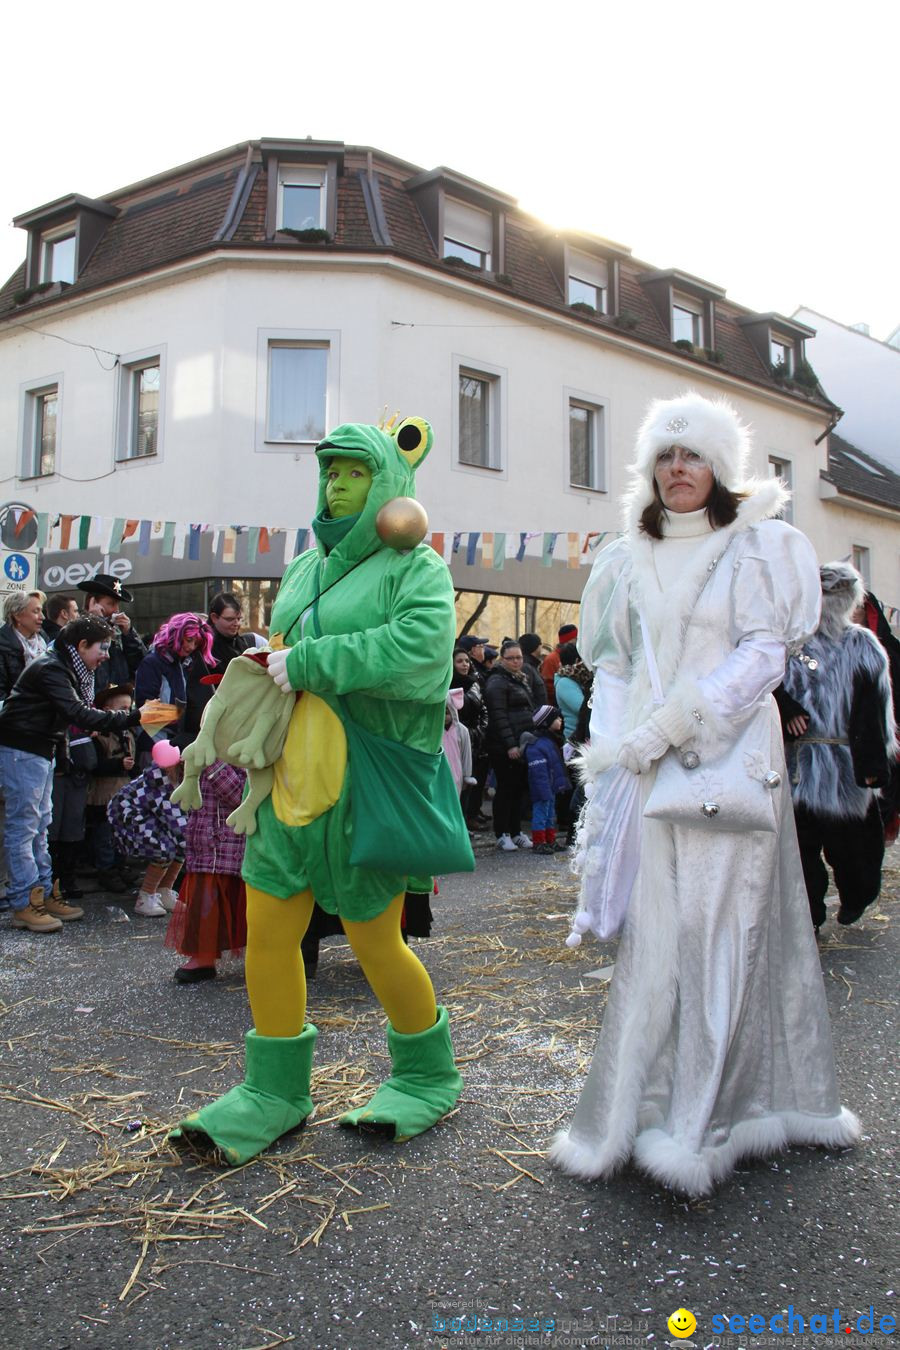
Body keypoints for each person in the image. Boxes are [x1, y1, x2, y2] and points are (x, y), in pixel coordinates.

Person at [549, 390, 860, 1197]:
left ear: (720, 468)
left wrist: (674, 726)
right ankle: (639, 1109)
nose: (677, 469)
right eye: (664, 455)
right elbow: (616, 668)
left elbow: (763, 656)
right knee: (659, 938)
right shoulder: (629, 554)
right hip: (654, 768)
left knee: (723, 930)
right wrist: (616, 759)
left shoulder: (760, 545)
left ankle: (705, 1123)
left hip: (727, 763)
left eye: (692, 456)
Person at [170, 418, 470, 1166]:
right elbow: (287, 653)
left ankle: (427, 1075)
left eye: (354, 473)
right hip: (287, 783)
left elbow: (423, 654)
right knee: (270, 933)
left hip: (364, 782)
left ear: (389, 484)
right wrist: (271, 662)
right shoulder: (305, 570)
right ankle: (274, 1091)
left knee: (375, 939)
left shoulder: (417, 568)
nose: (336, 484)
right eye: (329, 472)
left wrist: (308, 662)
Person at [0, 616, 144, 932]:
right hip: (23, 750)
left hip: (39, 751)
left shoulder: (63, 666)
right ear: (81, 646)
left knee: (39, 825)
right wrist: (133, 716)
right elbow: (78, 713)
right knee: (25, 826)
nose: (106, 655)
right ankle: (25, 901)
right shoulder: (52, 668)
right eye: (102, 648)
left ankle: (43, 892)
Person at [778, 562, 896, 933]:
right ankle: (809, 917)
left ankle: (857, 896)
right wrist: (787, 709)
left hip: (845, 767)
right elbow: (762, 686)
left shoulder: (863, 646)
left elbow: (874, 708)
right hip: (796, 765)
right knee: (801, 854)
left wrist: (874, 763)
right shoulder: (787, 646)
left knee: (854, 853)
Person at [165, 759, 248, 983]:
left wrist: (211, 761)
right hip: (203, 841)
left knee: (221, 903)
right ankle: (203, 958)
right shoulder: (201, 745)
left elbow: (240, 794)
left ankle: (206, 958)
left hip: (227, 841)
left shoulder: (239, 750)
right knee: (203, 904)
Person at [107, 739, 187, 916]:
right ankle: (146, 896)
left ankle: (165, 891)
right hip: (128, 815)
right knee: (164, 848)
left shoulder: (175, 778)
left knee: (179, 849)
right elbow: (175, 820)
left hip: (148, 815)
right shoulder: (159, 783)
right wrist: (191, 839)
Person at [135, 613, 215, 750]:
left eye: (196, 643)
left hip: (175, 741)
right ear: (176, 634)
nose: (191, 647)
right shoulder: (153, 662)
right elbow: (145, 709)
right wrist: (185, 716)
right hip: (154, 741)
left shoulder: (185, 664)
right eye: (189, 639)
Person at [484, 639, 535, 851]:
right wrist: (510, 745)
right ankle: (502, 832)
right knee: (505, 790)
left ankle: (515, 831)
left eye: (519, 658)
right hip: (503, 745)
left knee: (517, 789)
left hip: (521, 741)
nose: (516, 662)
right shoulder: (497, 682)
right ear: (502, 659)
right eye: (511, 658)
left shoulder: (520, 679)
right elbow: (499, 717)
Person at [86, 684, 138, 893]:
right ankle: (106, 870)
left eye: (129, 708)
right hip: (104, 793)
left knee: (121, 834)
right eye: (122, 709)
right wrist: (118, 764)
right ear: (107, 711)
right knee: (105, 836)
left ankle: (120, 866)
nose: (127, 713)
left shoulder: (128, 734)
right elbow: (94, 765)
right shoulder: (99, 736)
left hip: (123, 792)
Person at [79, 574, 146, 696]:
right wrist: (96, 622)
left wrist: (129, 634)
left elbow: (141, 665)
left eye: (118, 604)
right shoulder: (77, 630)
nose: (116, 610)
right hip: (94, 704)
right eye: (111, 603)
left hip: (119, 704)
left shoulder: (119, 632)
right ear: (93, 602)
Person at [520, 704, 569, 853]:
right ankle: (539, 842)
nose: (560, 719)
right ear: (546, 722)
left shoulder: (550, 741)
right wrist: (544, 789)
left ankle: (550, 840)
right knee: (541, 814)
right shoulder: (537, 745)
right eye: (556, 718)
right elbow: (538, 772)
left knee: (550, 815)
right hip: (542, 787)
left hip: (549, 786)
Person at [0, 592, 47, 700]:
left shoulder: (45, 640)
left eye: (41, 611)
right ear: (17, 615)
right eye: (36, 611)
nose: (42, 617)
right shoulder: (3, 646)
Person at [541, 623, 579, 702]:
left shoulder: (577, 655)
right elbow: (548, 686)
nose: (578, 641)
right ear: (569, 640)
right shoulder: (551, 659)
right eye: (576, 638)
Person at [518, 632, 547, 707]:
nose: (541, 647)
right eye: (540, 644)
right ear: (535, 647)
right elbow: (528, 695)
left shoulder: (532, 665)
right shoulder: (526, 667)